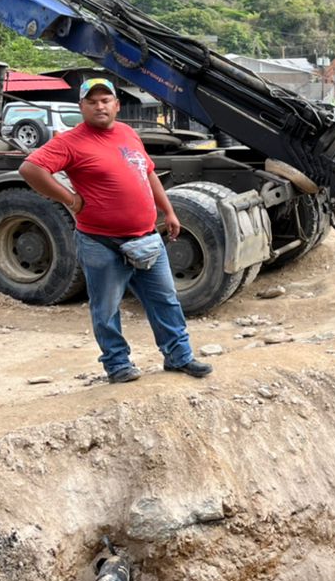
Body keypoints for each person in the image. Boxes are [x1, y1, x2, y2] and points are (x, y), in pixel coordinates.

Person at [18, 78, 212, 383]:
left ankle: (179, 357)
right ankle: (118, 364)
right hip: (100, 242)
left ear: (117, 105)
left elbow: (147, 173)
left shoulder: (128, 134)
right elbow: (30, 169)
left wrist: (169, 211)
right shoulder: (69, 142)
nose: (100, 106)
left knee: (166, 301)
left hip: (147, 237)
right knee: (106, 308)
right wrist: (69, 199)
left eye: (105, 100)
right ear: (81, 106)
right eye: (92, 101)